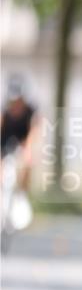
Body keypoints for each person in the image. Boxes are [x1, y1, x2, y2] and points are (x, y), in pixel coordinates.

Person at [1, 76, 38, 233]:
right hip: (4, 142)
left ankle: (22, 195)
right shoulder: (4, 111)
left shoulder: (31, 112)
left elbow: (34, 133)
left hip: (22, 142)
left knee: (28, 162)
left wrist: (28, 151)